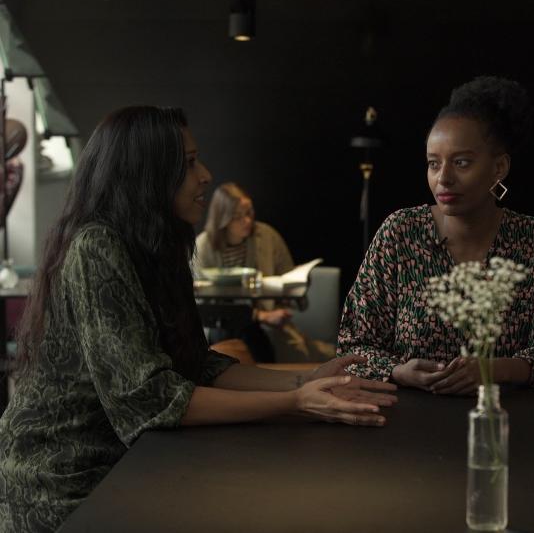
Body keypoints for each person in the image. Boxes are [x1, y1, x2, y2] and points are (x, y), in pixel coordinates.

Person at [0, 106, 397, 533]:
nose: (206, 175)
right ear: (146, 174)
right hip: (65, 481)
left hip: (130, 463)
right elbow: (149, 400)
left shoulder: (160, 245)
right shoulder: (97, 246)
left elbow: (198, 365)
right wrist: (296, 402)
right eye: (188, 164)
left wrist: (306, 380)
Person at [337, 76, 534, 393]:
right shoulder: (400, 233)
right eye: (433, 164)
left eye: (461, 162)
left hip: (507, 419)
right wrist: (397, 372)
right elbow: (352, 346)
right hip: (406, 419)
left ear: (499, 167)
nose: (443, 178)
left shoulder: (533, 239)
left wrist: (491, 370)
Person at [195, 182, 328, 362]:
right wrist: (261, 316)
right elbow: (201, 305)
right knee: (230, 336)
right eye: (237, 216)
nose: (247, 221)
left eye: (249, 213)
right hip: (222, 323)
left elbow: (288, 278)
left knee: (283, 346)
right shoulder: (203, 246)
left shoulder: (267, 236)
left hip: (267, 323)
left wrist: (288, 296)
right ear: (223, 219)